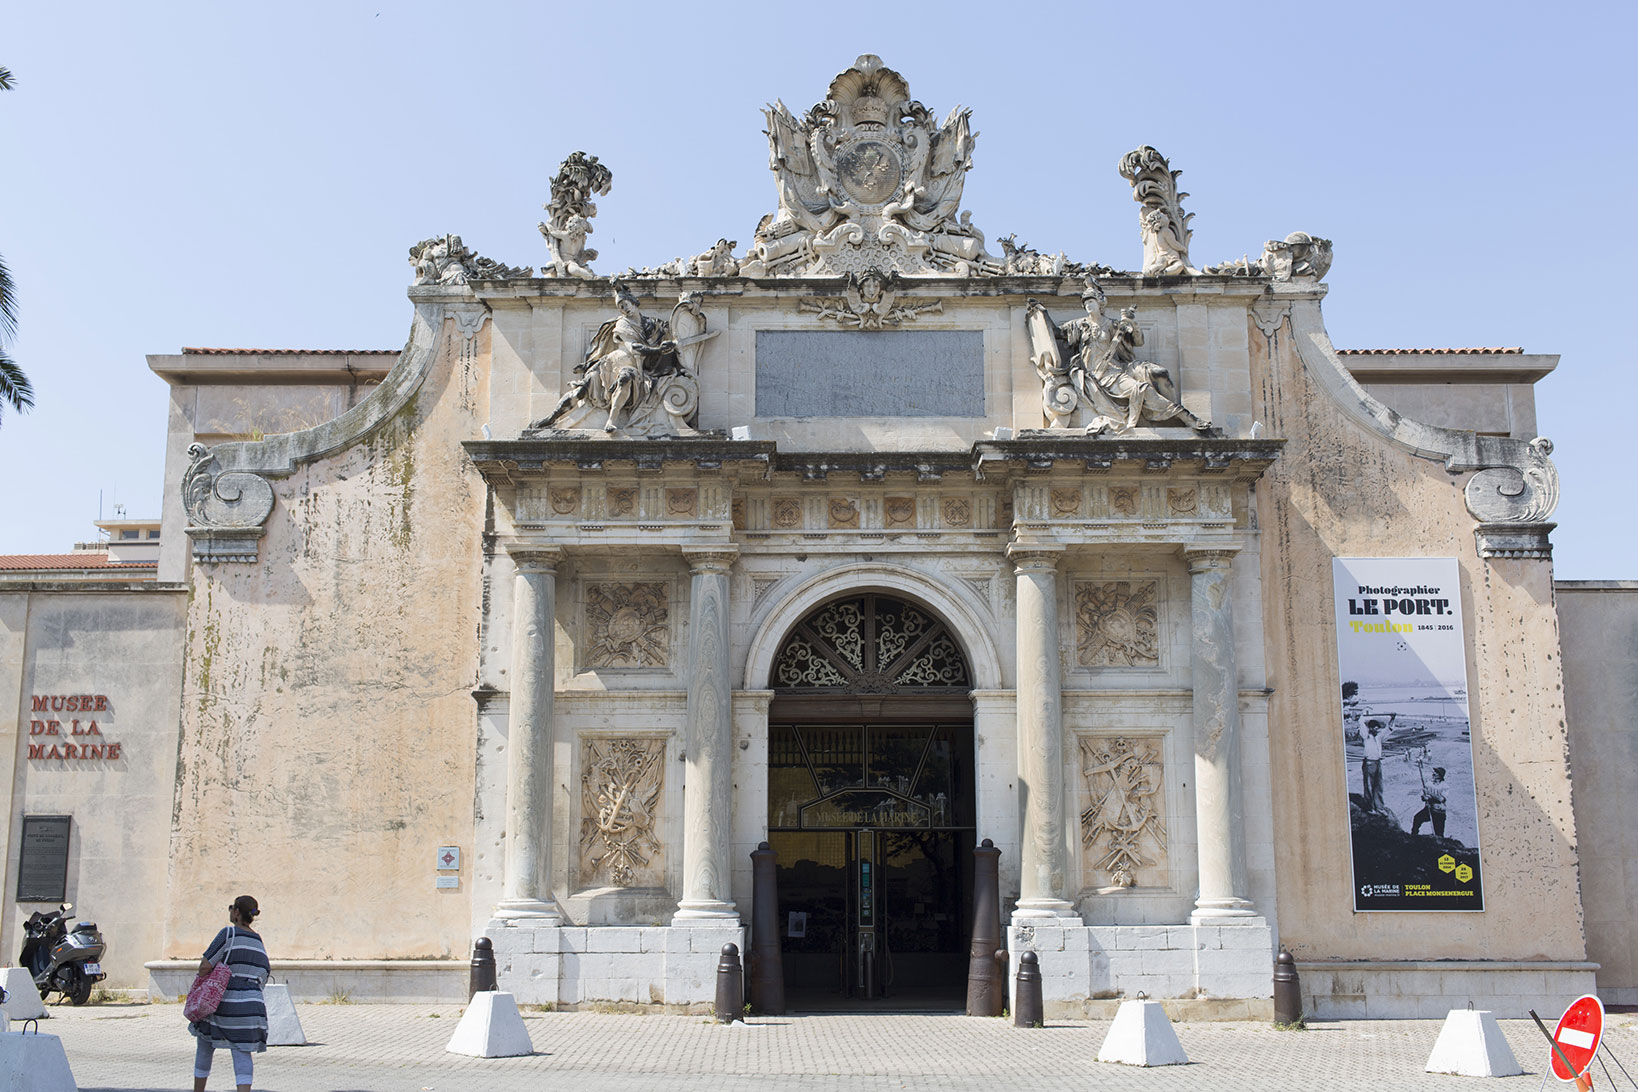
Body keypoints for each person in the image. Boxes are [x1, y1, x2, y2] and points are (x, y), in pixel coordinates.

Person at [190, 895, 270, 1092]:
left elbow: (205, 966)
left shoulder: (228, 934)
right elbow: (264, 973)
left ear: (236, 912)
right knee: (242, 1052)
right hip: (252, 1007)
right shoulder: (258, 940)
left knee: (205, 1043)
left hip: (224, 1004)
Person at [1412, 767, 1449, 837]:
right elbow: (1424, 797)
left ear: (1440, 776)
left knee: (1439, 834)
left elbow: (1441, 799)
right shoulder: (1428, 784)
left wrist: (1430, 794)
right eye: (1434, 772)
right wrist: (1424, 797)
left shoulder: (1445, 786)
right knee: (1417, 818)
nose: (1433, 774)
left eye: (1436, 773)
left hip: (1439, 812)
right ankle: (1413, 836)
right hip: (1429, 809)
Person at [1361, 721, 1386, 812]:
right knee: (1368, 785)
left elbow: (1387, 730)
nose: (1377, 730)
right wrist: (1364, 719)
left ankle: (1379, 807)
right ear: (1371, 729)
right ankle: (1369, 807)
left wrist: (1392, 719)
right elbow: (1362, 723)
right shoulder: (1366, 736)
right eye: (1375, 728)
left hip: (1378, 762)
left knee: (1378, 786)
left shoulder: (1378, 737)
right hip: (1369, 763)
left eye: (1378, 729)